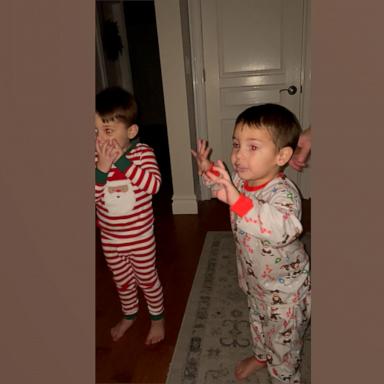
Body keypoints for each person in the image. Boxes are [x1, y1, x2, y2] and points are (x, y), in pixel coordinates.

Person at [192, 104, 311, 383]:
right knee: (257, 322)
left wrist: (237, 200)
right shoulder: (243, 182)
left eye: (252, 147)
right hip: (255, 279)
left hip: (287, 293)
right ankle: (260, 356)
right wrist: (208, 170)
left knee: (284, 347)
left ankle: (282, 375)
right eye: (236, 144)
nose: (238, 155)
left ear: (281, 156)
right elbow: (224, 189)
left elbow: (284, 229)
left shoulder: (285, 194)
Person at [95, 86, 165, 344]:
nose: (100, 139)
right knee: (122, 282)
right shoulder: (95, 160)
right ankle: (130, 313)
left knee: (147, 280)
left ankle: (158, 319)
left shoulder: (142, 154)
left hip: (140, 239)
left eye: (108, 131)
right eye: (95, 132)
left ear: (131, 131)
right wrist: (102, 169)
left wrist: (122, 163)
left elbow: (153, 185)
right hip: (111, 241)